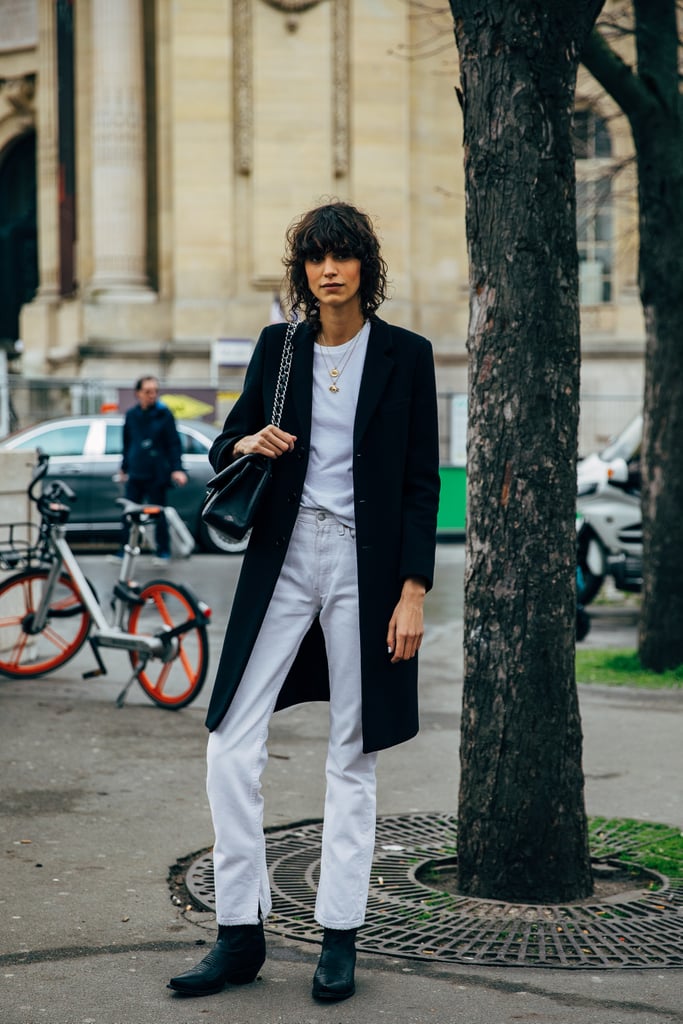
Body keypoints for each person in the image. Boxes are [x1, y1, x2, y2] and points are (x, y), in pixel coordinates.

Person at [168, 201, 440, 1002]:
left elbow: (421, 483)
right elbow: (228, 442)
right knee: (227, 743)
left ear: (365, 267)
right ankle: (239, 932)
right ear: (303, 271)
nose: (329, 269)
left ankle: (338, 936)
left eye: (344, 255)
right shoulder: (277, 349)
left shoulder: (404, 355)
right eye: (317, 257)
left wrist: (413, 591)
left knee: (351, 755)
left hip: (366, 565)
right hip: (282, 558)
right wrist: (246, 441)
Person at [118, 376, 187, 563]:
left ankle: (163, 551)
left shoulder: (164, 415)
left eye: (155, 391)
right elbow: (127, 443)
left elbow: (174, 444)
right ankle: (124, 551)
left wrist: (177, 469)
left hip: (157, 473)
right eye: (148, 391)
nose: (152, 395)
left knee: (158, 513)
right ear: (138, 393)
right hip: (135, 472)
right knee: (129, 513)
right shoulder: (132, 415)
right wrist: (124, 468)